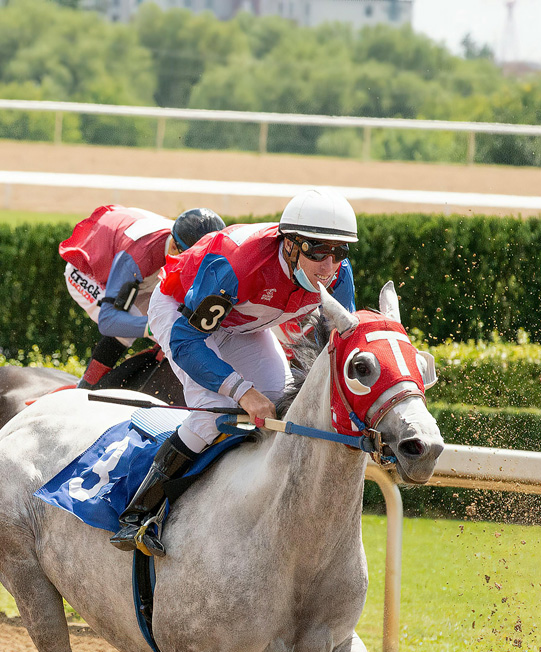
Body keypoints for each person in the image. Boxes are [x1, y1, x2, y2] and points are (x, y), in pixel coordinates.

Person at [110, 187, 358, 556]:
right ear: (289, 245)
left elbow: (342, 341)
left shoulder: (337, 275)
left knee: (283, 404)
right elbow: (187, 341)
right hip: (181, 315)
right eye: (317, 251)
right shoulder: (238, 263)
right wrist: (243, 391)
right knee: (213, 417)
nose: (328, 265)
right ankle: (138, 514)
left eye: (339, 252)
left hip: (241, 323)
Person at [59, 205, 226, 389]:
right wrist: (154, 327)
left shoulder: (184, 242)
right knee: (131, 318)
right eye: (193, 261)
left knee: (172, 316)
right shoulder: (139, 256)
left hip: (132, 253)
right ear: (173, 247)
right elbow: (108, 320)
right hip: (88, 268)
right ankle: (85, 386)